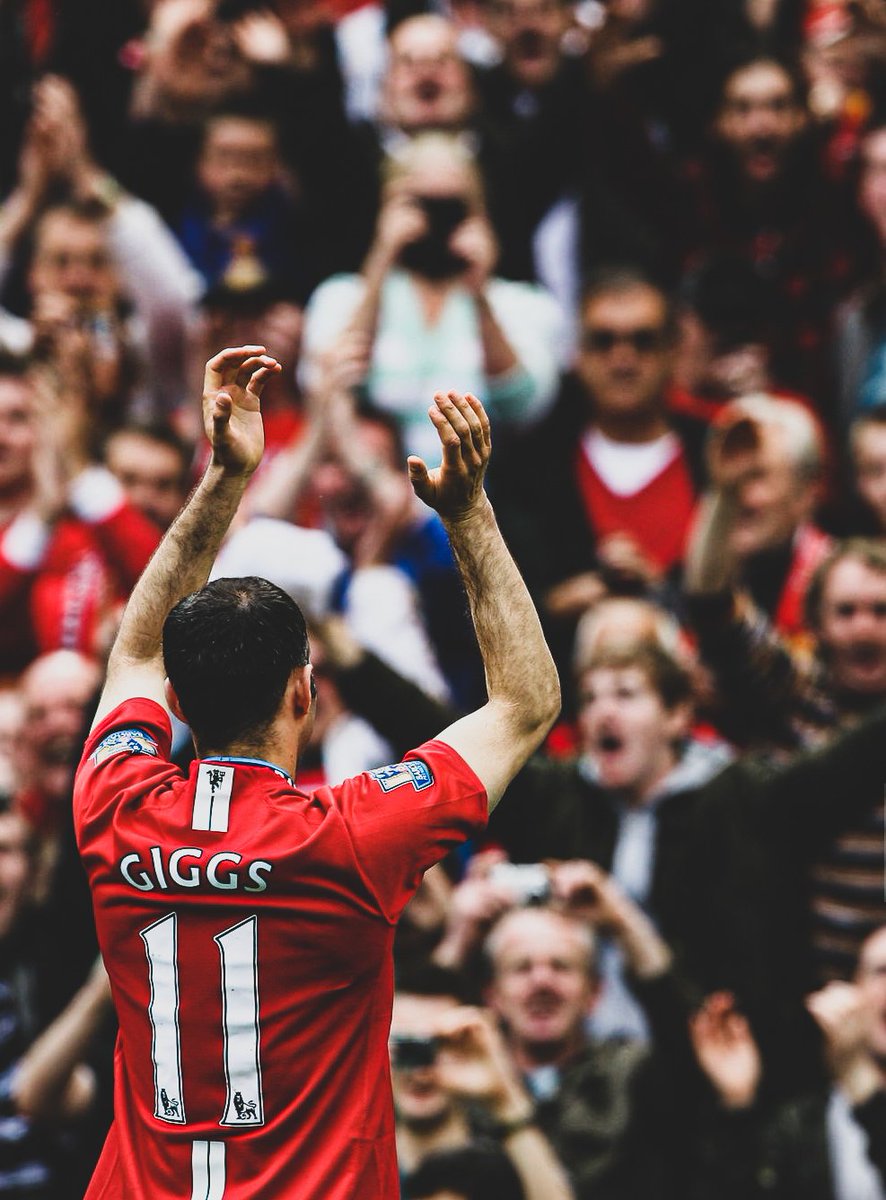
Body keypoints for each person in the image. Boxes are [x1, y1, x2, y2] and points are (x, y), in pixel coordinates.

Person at [72, 345, 560, 1199]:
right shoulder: (355, 835)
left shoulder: (113, 804)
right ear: (305, 691)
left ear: (175, 705)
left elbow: (136, 650)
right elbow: (525, 703)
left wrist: (225, 478)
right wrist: (468, 513)